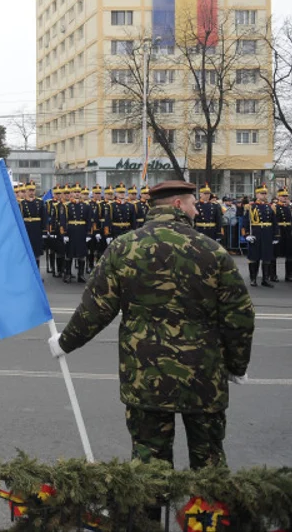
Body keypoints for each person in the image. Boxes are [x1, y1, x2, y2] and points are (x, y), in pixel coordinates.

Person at [48, 180, 254, 478]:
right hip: (204, 378)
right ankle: (208, 520)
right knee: (209, 470)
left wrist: (64, 343)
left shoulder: (124, 247)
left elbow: (95, 309)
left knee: (149, 473)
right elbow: (239, 316)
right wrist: (236, 366)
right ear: (178, 205)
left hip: (146, 377)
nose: (198, 211)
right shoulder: (212, 251)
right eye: (193, 204)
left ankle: (149, 520)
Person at [242, 183, 279, 287]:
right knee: (254, 257)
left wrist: (276, 236)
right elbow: (245, 223)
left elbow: (274, 222)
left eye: (265, 193)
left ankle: (265, 279)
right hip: (256, 233)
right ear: (257, 194)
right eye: (262, 193)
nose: (264, 195)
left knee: (267, 257)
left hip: (267, 234)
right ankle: (253, 279)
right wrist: (247, 235)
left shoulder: (270, 207)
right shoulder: (251, 207)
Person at [20, 181, 47, 270]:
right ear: (26, 191)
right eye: (29, 190)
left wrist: (44, 231)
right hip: (27, 230)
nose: (31, 192)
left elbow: (44, 217)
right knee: (26, 253)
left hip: (37, 230)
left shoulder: (40, 202)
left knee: (37, 254)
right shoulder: (21, 204)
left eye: (33, 190)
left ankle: (37, 274)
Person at [276, 187, 291, 282]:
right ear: (279, 197)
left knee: (289, 254)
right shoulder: (275, 207)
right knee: (275, 254)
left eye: (286, 196)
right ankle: (272, 274)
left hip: (288, 231)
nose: (285, 197)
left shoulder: (288, 207)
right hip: (279, 231)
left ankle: (289, 274)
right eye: (283, 196)